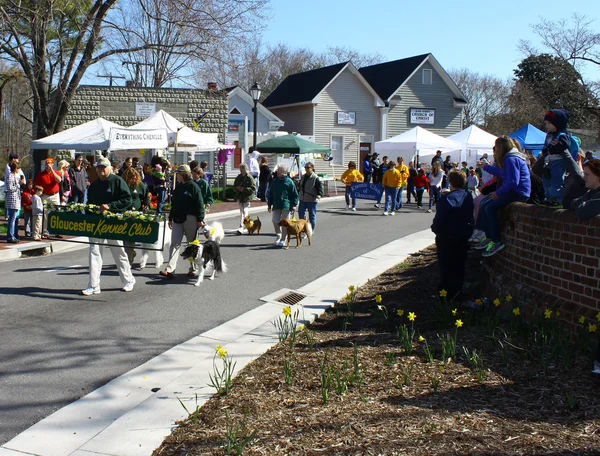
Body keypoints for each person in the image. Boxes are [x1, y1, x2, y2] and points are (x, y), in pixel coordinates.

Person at [81, 157, 135, 296]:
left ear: (109, 168)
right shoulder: (94, 185)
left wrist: (110, 206)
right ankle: (93, 285)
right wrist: (89, 212)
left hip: (113, 222)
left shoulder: (117, 181)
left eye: (103, 167)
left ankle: (128, 280)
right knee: (94, 252)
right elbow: (89, 203)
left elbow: (127, 200)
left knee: (118, 252)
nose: (101, 170)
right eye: (99, 168)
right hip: (97, 223)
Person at [474, 137, 531, 257]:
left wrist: (498, 193)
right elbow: (502, 173)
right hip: (516, 190)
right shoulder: (512, 157)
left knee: (490, 207)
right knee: (484, 203)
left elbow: (513, 182)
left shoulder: (510, 159)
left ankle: (496, 240)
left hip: (518, 192)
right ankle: (486, 234)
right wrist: (485, 167)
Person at [431, 169, 474, 301]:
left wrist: (435, 229)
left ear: (450, 182)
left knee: (446, 268)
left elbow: (440, 219)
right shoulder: (467, 196)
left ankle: (445, 295)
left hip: (446, 237)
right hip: (462, 236)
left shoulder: (446, 199)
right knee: (459, 267)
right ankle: (457, 293)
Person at [160, 165, 205, 279]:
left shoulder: (194, 187)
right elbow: (174, 205)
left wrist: (200, 219)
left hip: (190, 218)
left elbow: (199, 204)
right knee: (174, 244)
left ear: (183, 174)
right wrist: (170, 218)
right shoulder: (178, 188)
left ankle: (193, 268)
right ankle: (170, 269)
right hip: (177, 218)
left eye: (178, 174)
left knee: (192, 244)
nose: (177, 176)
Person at [541, 109, 577, 204]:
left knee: (556, 181)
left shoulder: (562, 135)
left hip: (558, 162)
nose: (546, 126)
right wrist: (545, 150)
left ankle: (556, 199)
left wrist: (553, 148)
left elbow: (564, 145)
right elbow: (545, 147)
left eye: (549, 123)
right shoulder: (549, 136)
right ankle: (548, 197)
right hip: (548, 162)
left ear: (557, 123)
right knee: (546, 181)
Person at [122, 167, 150, 264]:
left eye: (134, 177)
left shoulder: (139, 185)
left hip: (135, 215)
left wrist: (146, 206)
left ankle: (128, 263)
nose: (133, 180)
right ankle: (131, 253)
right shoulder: (122, 185)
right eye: (131, 178)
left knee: (130, 239)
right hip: (123, 214)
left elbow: (146, 196)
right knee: (123, 240)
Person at [267, 163, 298, 247]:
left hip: (286, 206)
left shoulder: (289, 182)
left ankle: (283, 239)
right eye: (278, 171)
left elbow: (294, 194)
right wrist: (269, 204)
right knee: (275, 221)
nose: (277, 172)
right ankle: (278, 235)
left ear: (284, 172)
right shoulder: (274, 182)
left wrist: (294, 204)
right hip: (276, 205)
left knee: (285, 224)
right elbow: (270, 194)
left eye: (279, 171)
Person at [34, 157, 62, 239]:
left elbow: (59, 180)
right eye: (46, 165)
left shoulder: (56, 172)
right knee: (45, 214)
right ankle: (45, 232)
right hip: (45, 195)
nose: (47, 166)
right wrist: (40, 193)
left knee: (57, 212)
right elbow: (37, 185)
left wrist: (52, 170)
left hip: (55, 195)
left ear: (52, 165)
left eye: (49, 165)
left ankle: (57, 231)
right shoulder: (41, 175)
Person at [298, 162, 323, 231]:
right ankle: (303, 229)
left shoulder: (315, 178)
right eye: (305, 167)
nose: (306, 169)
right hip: (303, 199)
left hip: (312, 199)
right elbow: (300, 187)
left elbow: (320, 188)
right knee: (301, 214)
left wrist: (319, 194)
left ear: (312, 168)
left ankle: (311, 230)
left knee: (312, 215)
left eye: (308, 167)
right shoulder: (303, 177)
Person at [233, 163, 256, 232]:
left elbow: (253, 188)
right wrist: (237, 188)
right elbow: (234, 186)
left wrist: (244, 189)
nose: (241, 171)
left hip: (247, 197)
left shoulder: (249, 177)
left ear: (245, 169)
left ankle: (242, 226)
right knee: (242, 211)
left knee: (245, 211)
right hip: (240, 197)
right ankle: (245, 225)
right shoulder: (238, 177)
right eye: (240, 169)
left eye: (242, 169)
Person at [5, 162, 22, 243]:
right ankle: (10, 236)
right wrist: (18, 184)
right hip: (12, 200)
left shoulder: (15, 176)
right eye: (18, 168)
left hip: (16, 199)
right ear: (15, 169)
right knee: (12, 219)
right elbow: (10, 188)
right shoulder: (10, 176)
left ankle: (12, 235)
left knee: (13, 218)